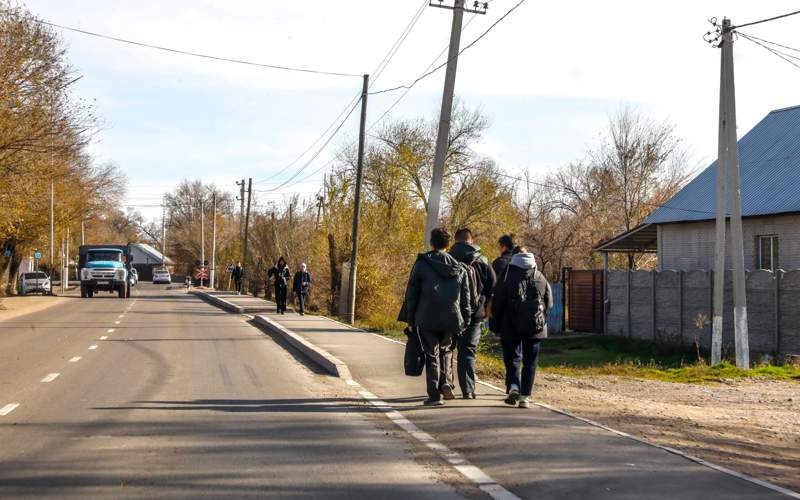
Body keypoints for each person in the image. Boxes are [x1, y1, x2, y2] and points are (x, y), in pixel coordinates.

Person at [401, 228, 471, 407]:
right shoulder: (459, 267)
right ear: (448, 245)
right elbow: (465, 297)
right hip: (451, 317)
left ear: (432, 243)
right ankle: (446, 382)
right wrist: (466, 319)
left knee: (432, 354)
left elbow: (412, 294)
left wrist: (410, 319)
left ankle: (434, 396)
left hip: (426, 317)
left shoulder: (422, 264)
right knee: (446, 350)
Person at [490, 246, 553, 409]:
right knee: (530, 362)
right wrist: (541, 318)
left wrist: (495, 326)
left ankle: (514, 386)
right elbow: (549, 302)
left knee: (512, 359)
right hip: (535, 327)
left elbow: (497, 304)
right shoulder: (540, 276)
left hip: (509, 326)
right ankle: (525, 397)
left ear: (514, 261)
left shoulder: (506, 277)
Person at [450, 228, 496, 399]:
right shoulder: (483, 260)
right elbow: (493, 288)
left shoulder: (449, 258)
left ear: (455, 240)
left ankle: (445, 384)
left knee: (446, 349)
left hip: (451, 313)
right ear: (471, 240)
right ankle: (468, 390)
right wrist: (487, 310)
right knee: (468, 351)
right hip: (476, 313)